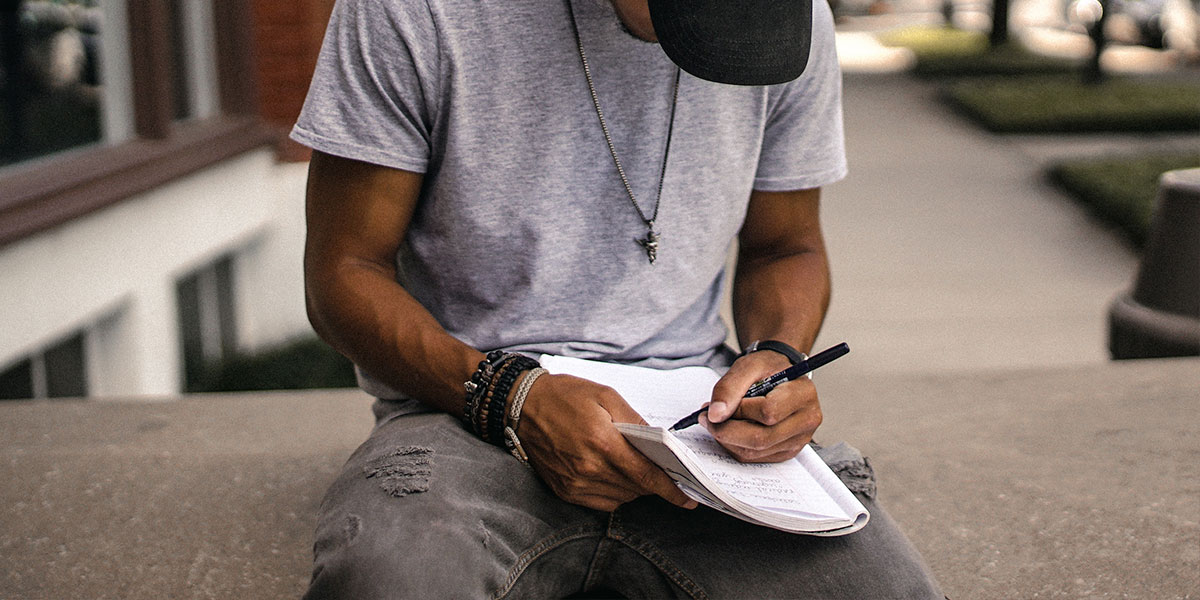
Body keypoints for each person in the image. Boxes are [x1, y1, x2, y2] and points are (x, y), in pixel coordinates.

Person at [292, 0, 943, 597]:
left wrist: (776, 355)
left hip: (698, 436)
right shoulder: (417, 11)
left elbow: (786, 246)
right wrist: (511, 398)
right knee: (391, 580)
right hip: (467, 409)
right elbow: (344, 271)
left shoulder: (785, 24)